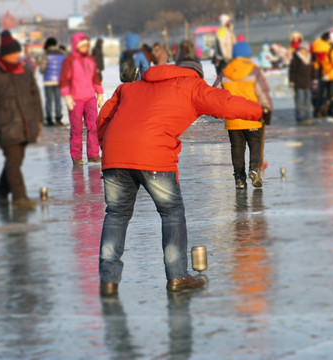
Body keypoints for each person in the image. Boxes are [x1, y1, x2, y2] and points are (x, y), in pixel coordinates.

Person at [96, 61, 263, 296]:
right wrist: (259, 111)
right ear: (197, 73)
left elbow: (104, 116)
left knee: (116, 214)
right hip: (153, 155)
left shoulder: (130, 87)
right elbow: (224, 103)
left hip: (115, 155)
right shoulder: (193, 86)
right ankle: (177, 277)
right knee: (171, 213)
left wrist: (107, 146)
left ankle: (108, 281)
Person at [0, 30, 44, 210]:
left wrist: (38, 120)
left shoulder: (26, 73)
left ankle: (2, 192)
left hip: (25, 124)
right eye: (13, 53)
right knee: (13, 161)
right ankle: (20, 198)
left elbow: (35, 98)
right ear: (4, 55)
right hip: (5, 126)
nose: (17, 56)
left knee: (15, 160)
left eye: (18, 52)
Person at [213, 41, 273, 189]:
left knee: (237, 148)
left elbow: (215, 93)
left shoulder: (225, 72)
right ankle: (254, 170)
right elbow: (263, 93)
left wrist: (217, 111)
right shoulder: (254, 71)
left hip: (233, 119)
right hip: (253, 117)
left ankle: (239, 179)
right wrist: (267, 111)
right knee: (255, 145)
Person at [59, 32, 104, 166]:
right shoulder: (70, 61)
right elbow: (64, 80)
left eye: (86, 46)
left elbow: (95, 78)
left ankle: (93, 154)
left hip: (89, 97)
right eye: (83, 46)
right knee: (76, 128)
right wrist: (67, 96)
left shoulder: (90, 60)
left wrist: (99, 93)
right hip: (75, 99)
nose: (85, 48)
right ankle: (77, 156)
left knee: (93, 126)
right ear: (76, 46)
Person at [38, 37, 66, 127]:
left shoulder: (45, 54)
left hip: (48, 81)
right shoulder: (61, 54)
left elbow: (42, 69)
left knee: (49, 100)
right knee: (58, 100)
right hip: (59, 81)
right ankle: (58, 118)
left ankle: (49, 119)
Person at [289, 41, 314, 126]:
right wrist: (292, 82)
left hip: (308, 83)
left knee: (308, 101)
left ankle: (308, 116)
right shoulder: (296, 58)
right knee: (300, 101)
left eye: (305, 49)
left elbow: (312, 71)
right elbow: (292, 71)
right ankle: (301, 117)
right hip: (299, 83)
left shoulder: (310, 58)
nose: (303, 51)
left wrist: (314, 80)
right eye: (302, 49)